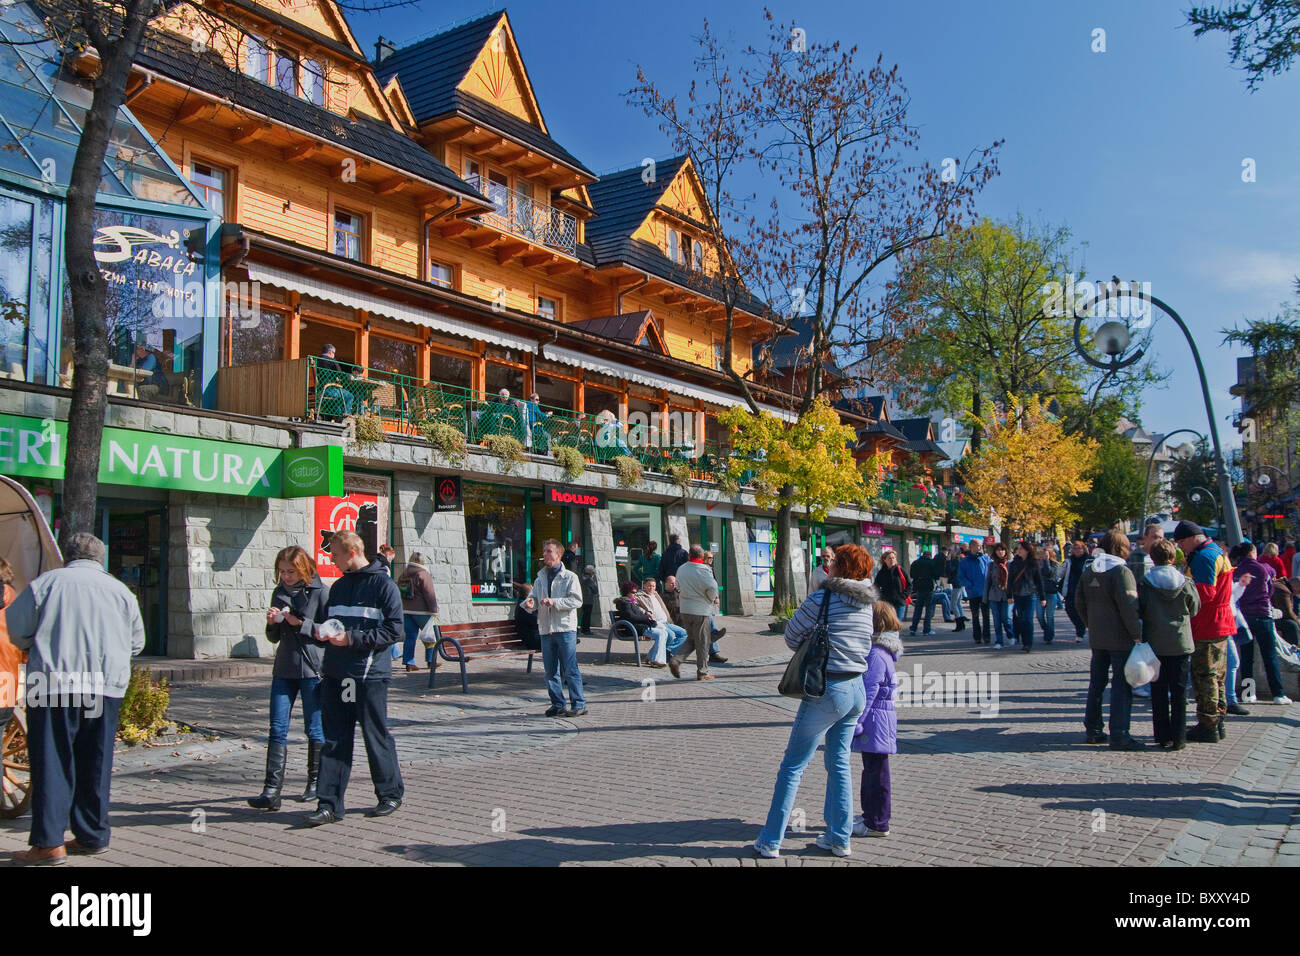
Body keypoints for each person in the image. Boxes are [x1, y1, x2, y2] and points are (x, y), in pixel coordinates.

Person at [5, 533, 146, 864]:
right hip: (103, 685)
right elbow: (136, 643)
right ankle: (93, 834)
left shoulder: (47, 583)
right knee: (94, 761)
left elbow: (16, 628)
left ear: (66, 555)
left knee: (53, 761)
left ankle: (49, 842)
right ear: (100, 558)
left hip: (53, 684)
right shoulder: (120, 591)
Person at [753, 544, 876, 858]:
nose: (830, 564)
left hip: (827, 687)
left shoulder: (823, 597)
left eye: (835, 561)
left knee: (793, 766)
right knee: (839, 764)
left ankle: (770, 840)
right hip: (856, 689)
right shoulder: (867, 604)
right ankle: (839, 838)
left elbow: (792, 636)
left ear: (841, 567)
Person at [306, 531, 404, 826]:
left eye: (334, 553)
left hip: (369, 675)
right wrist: (322, 633)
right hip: (337, 674)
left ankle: (390, 793)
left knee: (374, 735)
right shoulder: (336, 587)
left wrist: (351, 638)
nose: (331, 558)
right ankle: (329, 804)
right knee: (335, 738)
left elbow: (394, 631)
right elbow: (330, 624)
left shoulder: (383, 585)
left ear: (350, 552)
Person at [249, 546, 327, 811]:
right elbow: (273, 637)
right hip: (284, 667)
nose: (285, 576)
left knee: (314, 728)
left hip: (311, 667)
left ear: (304, 568)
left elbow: (327, 631)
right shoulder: (279, 591)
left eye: (291, 571)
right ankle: (271, 790)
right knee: (277, 727)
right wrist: (272, 622)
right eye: (281, 572)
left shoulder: (320, 591)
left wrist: (297, 622)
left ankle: (315, 782)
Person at [1076, 530, 1143, 750]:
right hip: (1120, 638)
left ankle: (1093, 729)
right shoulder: (1121, 572)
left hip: (1098, 637)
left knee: (1096, 683)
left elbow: (1079, 602)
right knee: (1121, 686)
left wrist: (1090, 624)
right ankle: (1120, 734)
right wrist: (1136, 634)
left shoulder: (1089, 570)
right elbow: (1128, 607)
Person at [1172, 521, 1237, 744]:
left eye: (1181, 542)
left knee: (1205, 676)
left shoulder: (1204, 557)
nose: (1181, 548)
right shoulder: (1216, 551)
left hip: (1207, 623)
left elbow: (1203, 594)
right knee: (1217, 676)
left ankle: (1208, 725)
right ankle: (1218, 722)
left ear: (1191, 538)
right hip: (1219, 622)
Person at [1139, 539, 1200, 751]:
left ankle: (1162, 735)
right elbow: (1194, 609)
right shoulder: (1185, 582)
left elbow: (1140, 610)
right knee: (1179, 692)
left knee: (1158, 691)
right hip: (1181, 643)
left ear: (1152, 558)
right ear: (1173, 558)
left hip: (1155, 644)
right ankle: (1179, 737)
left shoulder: (1146, 584)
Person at [851, 600, 902, 838]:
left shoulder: (876, 654)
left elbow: (868, 691)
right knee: (875, 770)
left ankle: (876, 821)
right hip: (881, 718)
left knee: (875, 773)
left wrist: (856, 721)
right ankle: (873, 816)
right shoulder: (885, 652)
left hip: (874, 720)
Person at [531, 539, 587, 717]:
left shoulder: (570, 577)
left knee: (570, 669)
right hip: (546, 629)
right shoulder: (540, 577)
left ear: (559, 555)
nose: (545, 554)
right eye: (544, 551)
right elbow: (532, 599)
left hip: (564, 629)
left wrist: (554, 602)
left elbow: (577, 600)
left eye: (549, 551)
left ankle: (579, 704)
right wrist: (529, 603)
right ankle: (557, 703)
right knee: (550, 671)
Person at [1233, 541, 1292, 705]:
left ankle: (1248, 694)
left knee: (1246, 657)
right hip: (1262, 615)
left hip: (1243, 618)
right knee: (1269, 656)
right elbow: (1270, 589)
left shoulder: (1236, 571)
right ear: (1252, 552)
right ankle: (1278, 694)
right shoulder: (1263, 568)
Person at [668, 545, 719, 681]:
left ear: (689, 555)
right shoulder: (704, 569)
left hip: (685, 609)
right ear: (702, 557)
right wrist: (709, 599)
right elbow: (713, 587)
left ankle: (676, 660)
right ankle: (703, 673)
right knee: (703, 641)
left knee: (691, 639)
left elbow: (677, 586)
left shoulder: (681, 568)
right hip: (700, 610)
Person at [396, 553, 438, 673]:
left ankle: (409, 663)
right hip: (422, 611)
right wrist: (433, 609)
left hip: (406, 610)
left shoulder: (403, 574)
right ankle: (431, 661)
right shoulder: (423, 574)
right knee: (430, 636)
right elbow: (429, 594)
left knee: (410, 637)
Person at [637, 577, 689, 667]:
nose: (651, 588)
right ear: (644, 586)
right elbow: (638, 608)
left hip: (666, 622)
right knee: (671, 635)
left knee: (684, 633)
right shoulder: (640, 596)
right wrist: (646, 613)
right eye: (649, 586)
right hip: (656, 623)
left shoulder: (656, 595)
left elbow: (663, 608)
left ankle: (666, 651)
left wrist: (669, 619)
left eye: (653, 586)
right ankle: (656, 656)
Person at [1008, 541, 1047, 653]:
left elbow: (1039, 581)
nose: (1018, 550)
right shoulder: (1014, 563)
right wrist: (1009, 595)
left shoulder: (1034, 563)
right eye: (1018, 549)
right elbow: (1010, 580)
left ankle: (1028, 644)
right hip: (1018, 594)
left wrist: (1042, 597)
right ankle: (1024, 641)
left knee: (1028, 619)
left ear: (1027, 550)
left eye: (1021, 548)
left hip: (1030, 594)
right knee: (1021, 619)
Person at [614, 580, 659, 663]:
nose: (635, 594)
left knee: (665, 632)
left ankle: (653, 657)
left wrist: (646, 615)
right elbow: (632, 617)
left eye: (636, 592)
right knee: (662, 634)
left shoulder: (631, 602)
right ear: (627, 592)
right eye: (633, 592)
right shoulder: (625, 603)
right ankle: (655, 658)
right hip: (633, 629)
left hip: (637, 627)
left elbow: (637, 615)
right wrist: (646, 618)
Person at [958, 539, 992, 645]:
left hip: (985, 592)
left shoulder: (986, 558)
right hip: (973, 592)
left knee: (986, 615)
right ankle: (977, 637)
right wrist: (969, 585)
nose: (980, 547)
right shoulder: (965, 561)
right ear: (971, 547)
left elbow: (991, 573)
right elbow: (961, 576)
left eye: (980, 545)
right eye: (978, 545)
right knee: (975, 615)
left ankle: (987, 636)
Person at [983, 543, 1013, 648]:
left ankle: (1010, 634)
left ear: (1006, 551)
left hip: (1007, 595)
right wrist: (985, 597)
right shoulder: (991, 565)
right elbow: (988, 581)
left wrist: (1012, 595)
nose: (1000, 552)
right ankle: (999, 641)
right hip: (994, 595)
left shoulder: (1009, 564)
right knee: (996, 620)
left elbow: (1012, 581)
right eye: (998, 550)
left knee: (1006, 618)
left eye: (1002, 550)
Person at [1063, 540, 1091, 642]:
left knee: (1082, 610)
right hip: (1071, 589)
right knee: (1070, 610)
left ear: (1084, 549)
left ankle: (1080, 632)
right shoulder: (1069, 560)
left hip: (1084, 590)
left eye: (1079, 548)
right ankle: (1081, 626)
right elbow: (1060, 573)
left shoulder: (1089, 560)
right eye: (1075, 548)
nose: (1077, 550)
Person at [908, 549, 939, 636]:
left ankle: (913, 628)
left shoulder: (915, 563)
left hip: (918, 588)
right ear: (929, 556)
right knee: (928, 609)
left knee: (918, 609)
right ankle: (927, 629)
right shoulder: (931, 563)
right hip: (928, 587)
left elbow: (912, 575)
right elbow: (936, 575)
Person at [1037, 544, 1062, 644]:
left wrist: (1047, 561)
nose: (1043, 556)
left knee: (1050, 616)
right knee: (1039, 616)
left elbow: (1049, 574)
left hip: (1051, 592)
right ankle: (1047, 630)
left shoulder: (1055, 564)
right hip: (1039, 593)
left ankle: (1049, 636)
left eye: (1045, 554)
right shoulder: (1038, 563)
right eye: (1042, 554)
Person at [875, 550, 909, 619]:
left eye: (893, 558)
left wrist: (903, 596)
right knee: (888, 624)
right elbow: (876, 586)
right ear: (885, 560)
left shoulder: (900, 570)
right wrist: (881, 596)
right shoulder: (882, 572)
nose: (892, 560)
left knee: (897, 624)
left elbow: (909, 585)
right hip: (886, 603)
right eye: (889, 558)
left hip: (899, 602)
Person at [945, 546, 967, 632]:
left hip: (957, 583)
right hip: (960, 582)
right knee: (957, 603)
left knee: (953, 604)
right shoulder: (961, 560)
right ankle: (961, 622)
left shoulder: (955, 561)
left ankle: (959, 623)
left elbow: (950, 570)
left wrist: (948, 562)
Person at [579, 564, 598, 635]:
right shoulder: (590, 580)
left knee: (584, 615)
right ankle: (586, 630)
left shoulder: (581, 578)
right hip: (589, 600)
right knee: (587, 616)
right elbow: (595, 590)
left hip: (582, 599)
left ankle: (582, 628)